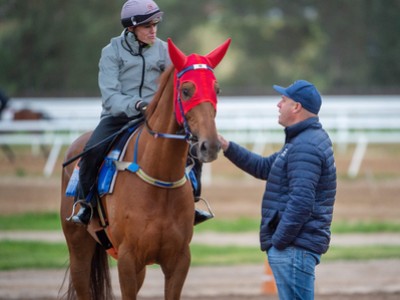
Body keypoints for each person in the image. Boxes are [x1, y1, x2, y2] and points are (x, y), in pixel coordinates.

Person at [70, 0, 210, 226]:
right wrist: (137, 105)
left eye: (155, 24)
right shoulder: (111, 52)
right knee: (92, 150)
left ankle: (192, 202)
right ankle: (84, 203)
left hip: (155, 119)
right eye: (147, 26)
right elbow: (111, 96)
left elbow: (181, 81)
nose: (153, 30)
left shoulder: (165, 50)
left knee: (193, 150)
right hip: (118, 117)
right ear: (131, 28)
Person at [218, 80, 336, 299]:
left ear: (296, 107)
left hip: (293, 248)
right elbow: (263, 167)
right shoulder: (300, 141)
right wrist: (226, 146)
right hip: (294, 247)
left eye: (283, 100)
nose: (278, 105)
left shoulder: (305, 146)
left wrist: (279, 242)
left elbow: (301, 201)